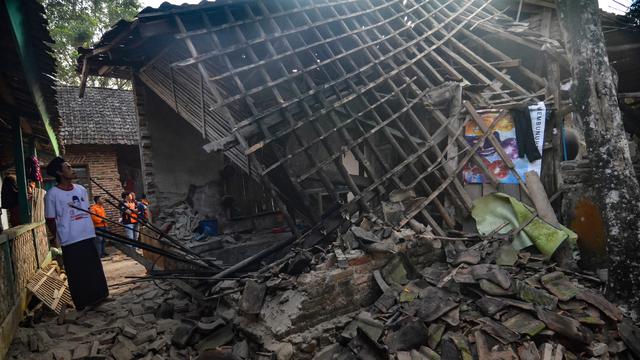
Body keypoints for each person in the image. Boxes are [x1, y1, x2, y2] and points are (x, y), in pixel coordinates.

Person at [44, 157, 108, 310]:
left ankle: (100, 296)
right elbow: (51, 220)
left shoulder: (81, 190)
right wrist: (60, 236)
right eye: (68, 167)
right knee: (77, 272)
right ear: (60, 172)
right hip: (70, 239)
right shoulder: (52, 194)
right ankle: (83, 302)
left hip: (87, 234)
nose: (72, 170)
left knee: (94, 268)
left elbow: (86, 211)